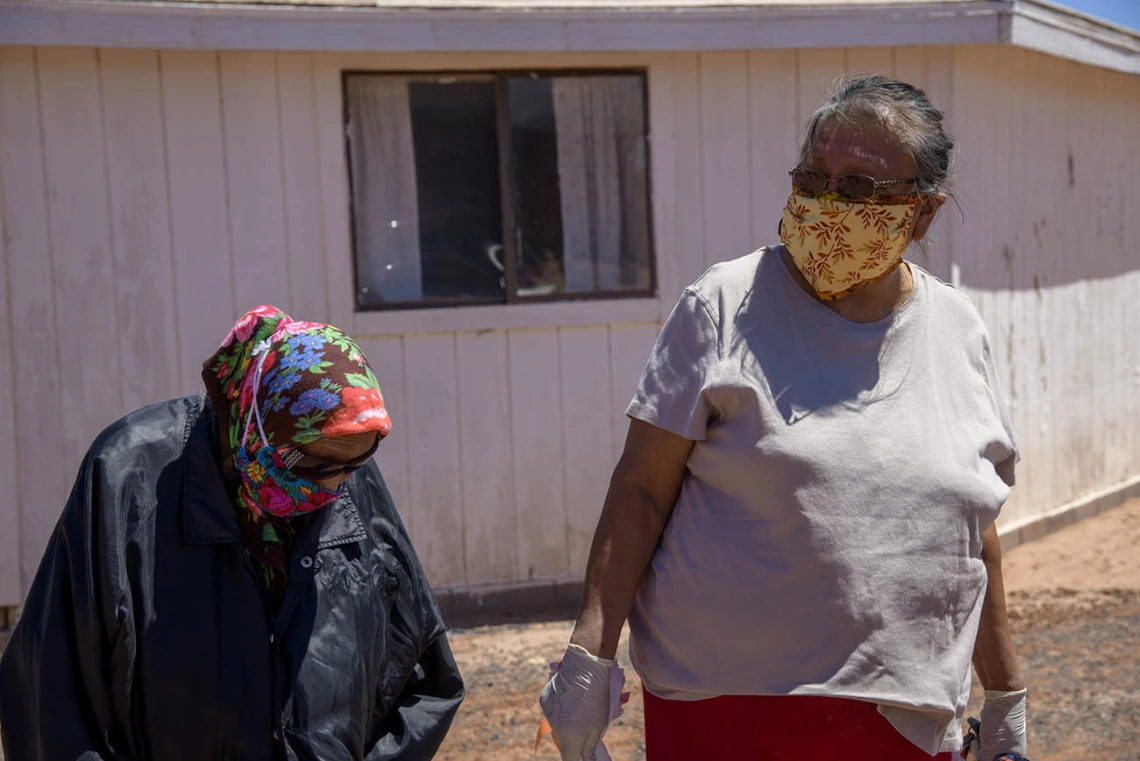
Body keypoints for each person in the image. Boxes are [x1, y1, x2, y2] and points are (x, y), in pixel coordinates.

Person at [540, 75, 1028, 760]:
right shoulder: (724, 304)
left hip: (904, 716)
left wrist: (1005, 698)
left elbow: (973, 531)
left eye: (859, 187)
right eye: (813, 177)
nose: (828, 203)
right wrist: (588, 658)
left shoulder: (958, 329)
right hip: (725, 709)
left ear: (922, 215)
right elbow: (641, 490)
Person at [0, 305, 464, 760]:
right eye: (315, 463)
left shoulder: (345, 471)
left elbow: (423, 676)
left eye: (357, 460)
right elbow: (49, 700)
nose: (334, 485)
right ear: (262, 430)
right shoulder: (128, 476)